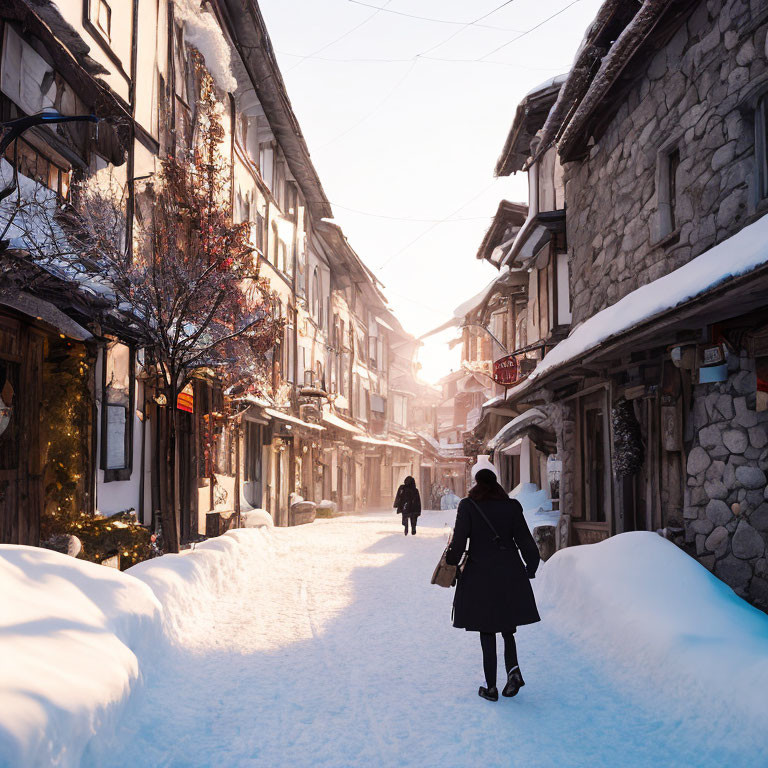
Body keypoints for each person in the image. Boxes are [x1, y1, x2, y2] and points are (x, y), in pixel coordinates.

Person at [446, 468, 540, 702]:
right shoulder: (512, 506)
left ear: (477, 483)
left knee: (487, 629)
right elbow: (526, 541)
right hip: (510, 571)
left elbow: (458, 542)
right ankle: (513, 672)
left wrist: (450, 562)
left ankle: (491, 688)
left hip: (480, 574)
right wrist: (531, 567)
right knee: (508, 628)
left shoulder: (468, 506)